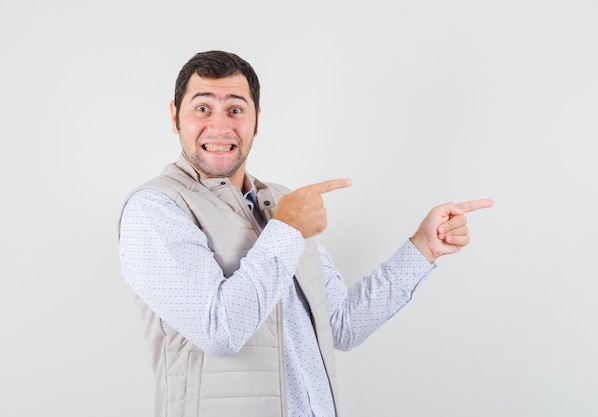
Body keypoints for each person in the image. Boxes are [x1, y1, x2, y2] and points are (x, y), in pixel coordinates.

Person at [118, 50, 493, 417]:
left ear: (256, 121)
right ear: (175, 116)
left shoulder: (280, 203)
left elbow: (342, 325)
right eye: (202, 108)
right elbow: (220, 330)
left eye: (235, 109)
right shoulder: (155, 209)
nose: (219, 127)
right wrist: (288, 228)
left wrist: (423, 248)